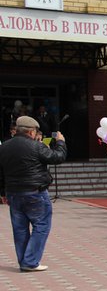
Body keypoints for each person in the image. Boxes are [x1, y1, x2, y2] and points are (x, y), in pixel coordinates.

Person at [0, 116, 67, 271]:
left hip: (13, 193)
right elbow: (58, 157)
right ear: (31, 132)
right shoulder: (36, 146)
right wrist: (61, 143)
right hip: (35, 192)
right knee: (41, 225)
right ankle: (30, 261)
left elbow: (1, 173)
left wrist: (3, 191)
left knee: (19, 228)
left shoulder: (4, 147)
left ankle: (24, 261)